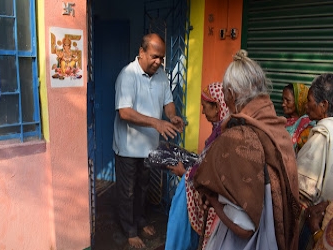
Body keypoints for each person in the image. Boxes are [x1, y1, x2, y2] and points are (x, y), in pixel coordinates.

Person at [193, 49, 300, 250]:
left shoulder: (239, 138)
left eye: (225, 94)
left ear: (231, 94)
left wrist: (213, 199)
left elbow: (243, 227)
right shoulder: (278, 131)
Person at [112, 33, 184, 249]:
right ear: (142, 52)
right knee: (128, 191)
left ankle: (140, 220)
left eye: (161, 58)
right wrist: (156, 123)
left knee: (143, 187)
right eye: (154, 56)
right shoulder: (128, 75)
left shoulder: (161, 75)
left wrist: (171, 117)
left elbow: (168, 102)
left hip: (149, 147)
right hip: (128, 147)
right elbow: (125, 112)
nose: (158, 62)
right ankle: (130, 231)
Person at [165, 82, 229, 250]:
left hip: (215, 207)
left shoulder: (223, 137)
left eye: (204, 106)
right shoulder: (220, 131)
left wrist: (184, 173)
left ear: (216, 107)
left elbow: (213, 175)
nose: (202, 111)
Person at [296, 73, 333, 250]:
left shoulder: (322, 135)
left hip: (316, 224)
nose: (306, 104)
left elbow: (302, 188)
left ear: (324, 105)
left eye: (310, 100)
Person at [282, 83, 315, 154]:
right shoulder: (284, 121)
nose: (283, 104)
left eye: (287, 101)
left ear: (299, 102)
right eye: (283, 100)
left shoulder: (307, 126)